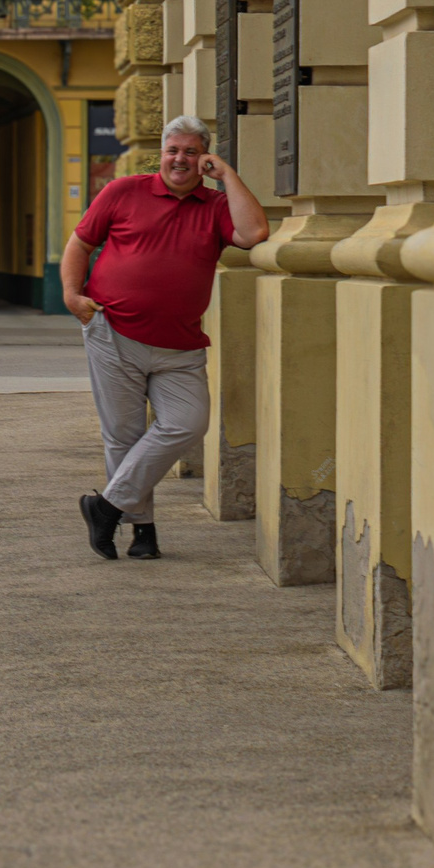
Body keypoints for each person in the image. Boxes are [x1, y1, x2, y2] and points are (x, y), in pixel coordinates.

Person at [64, 113, 269, 561]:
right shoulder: (123, 191)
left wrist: (228, 176)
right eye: (173, 150)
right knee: (124, 433)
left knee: (188, 423)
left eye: (191, 152)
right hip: (113, 332)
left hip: (180, 345)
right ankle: (143, 533)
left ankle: (105, 507)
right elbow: (80, 243)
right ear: (161, 153)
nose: (180, 159)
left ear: (204, 160)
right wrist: (72, 296)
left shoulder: (215, 207)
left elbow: (254, 233)